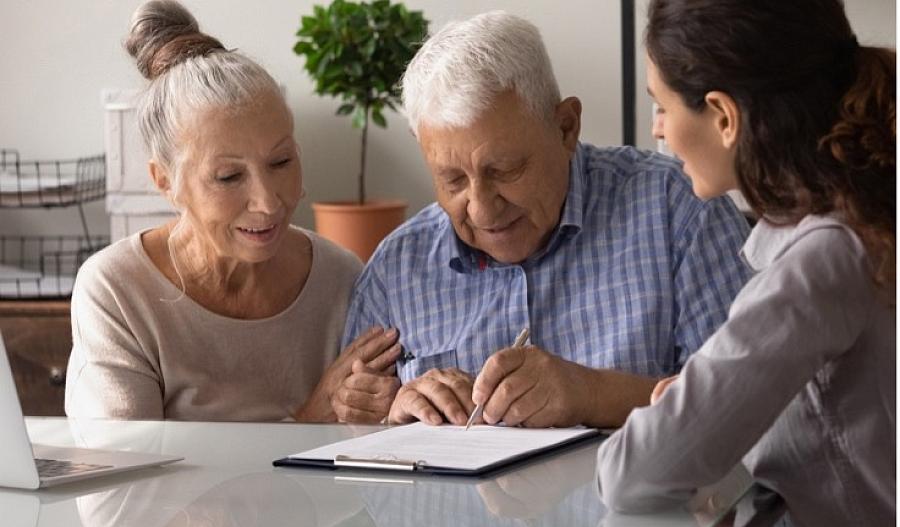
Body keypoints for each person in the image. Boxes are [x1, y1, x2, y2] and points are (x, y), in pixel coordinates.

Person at [334, 11, 752, 428]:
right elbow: (345, 443)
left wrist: (593, 394)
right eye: (453, 180)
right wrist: (387, 416)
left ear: (566, 127)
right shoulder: (395, 271)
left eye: (505, 170)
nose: (482, 209)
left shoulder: (680, 211)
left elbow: (749, 406)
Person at [596, 1, 895, 525]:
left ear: (724, 117)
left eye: (662, 106)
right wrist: (703, 407)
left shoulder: (822, 260)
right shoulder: (862, 219)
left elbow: (630, 473)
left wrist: (678, 419)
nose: (659, 129)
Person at [64, 0, 400, 422]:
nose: (268, 202)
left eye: (281, 162)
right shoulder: (118, 290)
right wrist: (308, 422)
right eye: (228, 177)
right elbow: (128, 462)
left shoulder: (342, 278)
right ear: (165, 181)